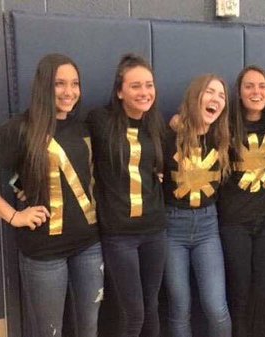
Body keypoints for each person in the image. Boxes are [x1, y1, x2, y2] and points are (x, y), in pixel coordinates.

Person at [0, 53, 102, 337]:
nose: (69, 91)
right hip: (44, 251)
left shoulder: (85, 125)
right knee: (49, 332)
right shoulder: (20, 128)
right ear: (43, 86)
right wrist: (14, 215)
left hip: (89, 245)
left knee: (89, 328)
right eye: (59, 83)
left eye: (75, 83)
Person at [86, 53, 167, 337]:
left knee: (152, 306)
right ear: (120, 91)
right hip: (120, 234)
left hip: (155, 230)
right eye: (135, 86)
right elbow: (64, 145)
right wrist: (20, 182)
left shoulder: (156, 125)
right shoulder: (99, 120)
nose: (144, 92)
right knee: (133, 313)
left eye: (149, 85)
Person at [163, 74, 232, 337]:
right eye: (209, 92)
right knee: (179, 308)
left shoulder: (223, 137)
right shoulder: (168, 135)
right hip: (172, 228)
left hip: (207, 227)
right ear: (195, 96)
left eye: (222, 95)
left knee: (216, 307)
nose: (216, 99)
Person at [217, 65, 265, 337]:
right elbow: (189, 121)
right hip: (234, 223)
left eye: (262, 86)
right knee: (240, 293)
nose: (256, 92)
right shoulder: (224, 124)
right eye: (249, 86)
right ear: (239, 92)